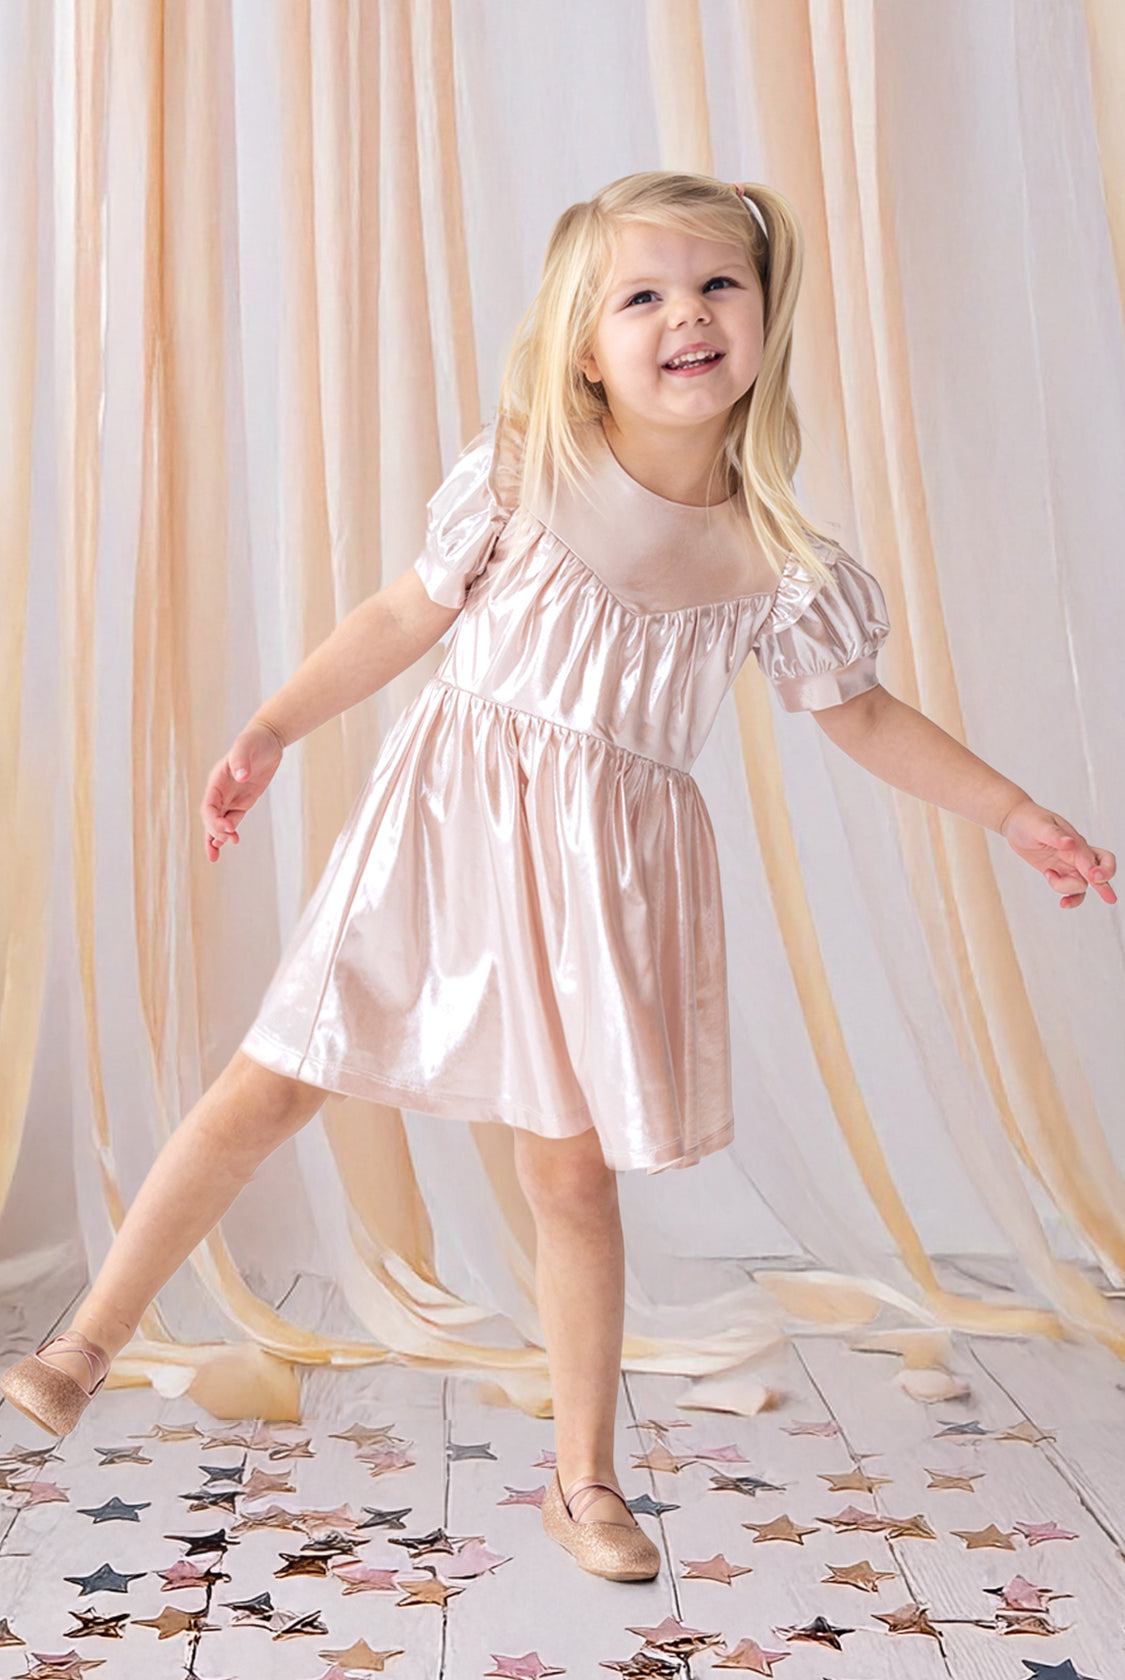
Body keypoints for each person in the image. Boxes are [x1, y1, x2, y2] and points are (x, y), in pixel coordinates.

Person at [2, 172, 1115, 1585]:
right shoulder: (524, 472)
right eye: (640, 295)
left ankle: (582, 1479)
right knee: (273, 1078)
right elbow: (403, 611)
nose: (685, 316)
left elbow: (863, 715)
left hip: (603, 886)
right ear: (584, 345)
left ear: (765, 318)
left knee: (569, 1175)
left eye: (717, 285)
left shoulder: (773, 558)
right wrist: (276, 727)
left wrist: (1012, 811)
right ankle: (86, 1338)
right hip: (443, 830)